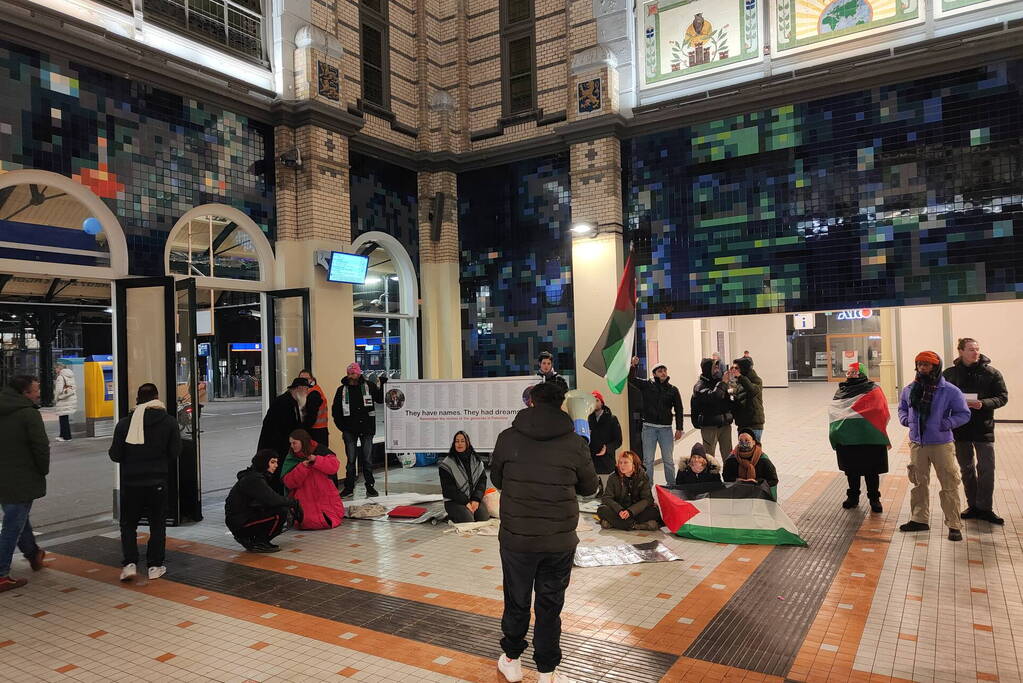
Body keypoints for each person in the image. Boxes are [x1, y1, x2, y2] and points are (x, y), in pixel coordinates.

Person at [491, 382, 597, 683]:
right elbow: (590, 489)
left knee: (517, 600)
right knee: (550, 605)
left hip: (516, 539)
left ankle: (511, 659)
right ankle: (547, 671)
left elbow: (496, 479)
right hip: (558, 541)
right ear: (562, 405)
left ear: (532, 403)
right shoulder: (575, 443)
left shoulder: (508, 438)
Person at [108, 383, 181, 582]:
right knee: (157, 524)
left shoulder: (125, 424)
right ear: (157, 398)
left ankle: (130, 564)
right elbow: (175, 453)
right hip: (157, 482)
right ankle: (155, 567)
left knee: (128, 524)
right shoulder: (169, 422)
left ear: (137, 399)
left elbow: (115, 455)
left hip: (131, 483)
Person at [898, 351, 971, 542]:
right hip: (917, 443)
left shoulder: (950, 391)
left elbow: (963, 414)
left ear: (935, 367)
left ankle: (954, 524)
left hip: (941, 444)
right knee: (918, 482)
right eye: (920, 364)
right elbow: (903, 407)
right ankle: (919, 519)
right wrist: (906, 420)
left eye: (927, 365)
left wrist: (946, 424)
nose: (922, 368)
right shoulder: (909, 389)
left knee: (949, 483)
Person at [942, 338, 1008, 525]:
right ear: (961, 351)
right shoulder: (950, 374)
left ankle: (985, 508)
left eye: (977, 349)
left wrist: (983, 404)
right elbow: (942, 396)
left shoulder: (991, 373)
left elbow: (1002, 397)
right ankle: (972, 506)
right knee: (966, 469)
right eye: (971, 349)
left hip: (983, 428)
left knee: (987, 469)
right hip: (960, 429)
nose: (975, 352)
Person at [0, 376, 49, 592]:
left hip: (3, 478)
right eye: (35, 390)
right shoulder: (29, 413)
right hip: (21, 478)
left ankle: (32, 554)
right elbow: (40, 447)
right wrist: (42, 469)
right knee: (12, 526)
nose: (38, 393)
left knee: (17, 518)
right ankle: (1, 574)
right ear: (24, 393)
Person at [830, 362, 890, 513]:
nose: (850, 375)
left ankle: (874, 499)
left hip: (869, 437)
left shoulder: (874, 390)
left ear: (862, 374)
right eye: (848, 372)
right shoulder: (842, 390)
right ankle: (853, 497)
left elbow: (880, 410)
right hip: (848, 438)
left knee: (872, 471)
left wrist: (863, 418)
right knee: (852, 470)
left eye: (854, 372)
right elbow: (837, 411)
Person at [225, 450, 298, 552]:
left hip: (240, 521)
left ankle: (255, 540)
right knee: (281, 512)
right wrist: (293, 503)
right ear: (263, 462)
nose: (276, 465)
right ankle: (260, 542)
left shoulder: (254, 476)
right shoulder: (254, 479)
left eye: (276, 462)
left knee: (280, 509)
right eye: (272, 462)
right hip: (240, 523)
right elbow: (272, 499)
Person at [628, 356, 684, 485]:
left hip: (665, 429)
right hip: (649, 428)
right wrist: (633, 366)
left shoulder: (673, 390)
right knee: (648, 460)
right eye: (660, 371)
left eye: (665, 370)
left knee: (668, 460)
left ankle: (671, 485)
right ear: (654, 374)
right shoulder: (647, 385)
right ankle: (648, 487)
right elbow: (631, 380)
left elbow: (679, 410)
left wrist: (679, 428)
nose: (663, 373)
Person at [332, 362, 385, 498]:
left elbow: (380, 399)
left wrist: (383, 384)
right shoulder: (342, 390)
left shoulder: (369, 386)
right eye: (349, 373)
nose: (351, 376)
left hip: (367, 429)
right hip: (349, 430)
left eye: (353, 373)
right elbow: (336, 411)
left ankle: (370, 486)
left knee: (367, 459)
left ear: (359, 373)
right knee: (351, 460)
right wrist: (342, 427)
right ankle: (349, 487)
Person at [281, 429, 344, 530]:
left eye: (294, 443)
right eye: (291, 443)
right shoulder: (291, 458)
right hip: (305, 507)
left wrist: (316, 459)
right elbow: (289, 482)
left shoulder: (320, 450)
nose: (292, 446)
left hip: (327, 504)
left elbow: (334, 467)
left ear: (303, 441)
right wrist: (302, 467)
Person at [597, 451, 660, 531]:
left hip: (635, 511)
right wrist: (620, 510)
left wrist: (631, 511)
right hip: (619, 510)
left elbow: (648, 499)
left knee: (654, 511)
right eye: (620, 462)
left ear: (633, 464)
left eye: (625, 462)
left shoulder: (642, 476)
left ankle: (616, 523)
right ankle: (636, 525)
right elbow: (606, 498)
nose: (622, 465)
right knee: (602, 509)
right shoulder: (613, 477)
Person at [439, 431, 490, 523]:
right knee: (468, 520)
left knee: (484, 518)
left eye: (462, 441)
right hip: (454, 501)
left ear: (467, 443)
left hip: (472, 498)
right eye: (457, 441)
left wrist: (476, 499)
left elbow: (482, 482)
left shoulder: (476, 460)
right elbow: (449, 489)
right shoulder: (447, 464)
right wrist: (466, 502)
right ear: (454, 443)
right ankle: (451, 516)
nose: (459, 444)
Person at [258, 377, 310, 466]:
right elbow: (283, 427)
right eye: (306, 389)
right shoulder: (283, 402)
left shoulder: (294, 401)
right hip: (275, 447)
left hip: (283, 446)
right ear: (299, 388)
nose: (307, 392)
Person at [690, 357, 733, 461]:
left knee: (728, 454)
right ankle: (711, 476)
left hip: (724, 424)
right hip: (709, 426)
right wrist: (723, 383)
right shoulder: (699, 386)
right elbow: (714, 397)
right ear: (707, 369)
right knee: (709, 456)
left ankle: (729, 475)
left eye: (718, 368)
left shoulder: (719, 382)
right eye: (715, 368)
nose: (717, 370)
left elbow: (727, 400)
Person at [587, 390, 622, 496]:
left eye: (597, 400)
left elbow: (618, 441)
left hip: (606, 462)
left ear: (602, 402)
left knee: (608, 493)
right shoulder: (589, 418)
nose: (594, 403)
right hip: (593, 462)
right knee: (594, 495)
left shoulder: (612, 419)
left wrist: (607, 448)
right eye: (592, 401)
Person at [730, 357, 764, 442]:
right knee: (743, 451)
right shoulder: (739, 382)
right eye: (732, 368)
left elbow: (751, 390)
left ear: (743, 369)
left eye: (736, 368)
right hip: (742, 423)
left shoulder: (756, 381)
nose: (734, 370)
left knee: (754, 451)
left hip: (753, 424)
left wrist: (740, 377)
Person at [298, 369, 330, 448]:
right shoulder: (309, 391)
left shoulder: (313, 393)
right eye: (301, 378)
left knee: (316, 457)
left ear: (312, 379)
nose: (304, 381)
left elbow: (311, 415)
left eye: (306, 378)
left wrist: (303, 429)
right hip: (318, 430)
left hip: (316, 432)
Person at [54, 364, 77, 442]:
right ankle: (62, 435)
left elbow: (58, 391)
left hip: (63, 400)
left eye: (56, 368)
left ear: (59, 368)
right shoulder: (70, 375)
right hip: (69, 399)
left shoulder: (60, 377)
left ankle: (67, 437)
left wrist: (56, 398)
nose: (55, 370)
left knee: (63, 419)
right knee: (64, 418)